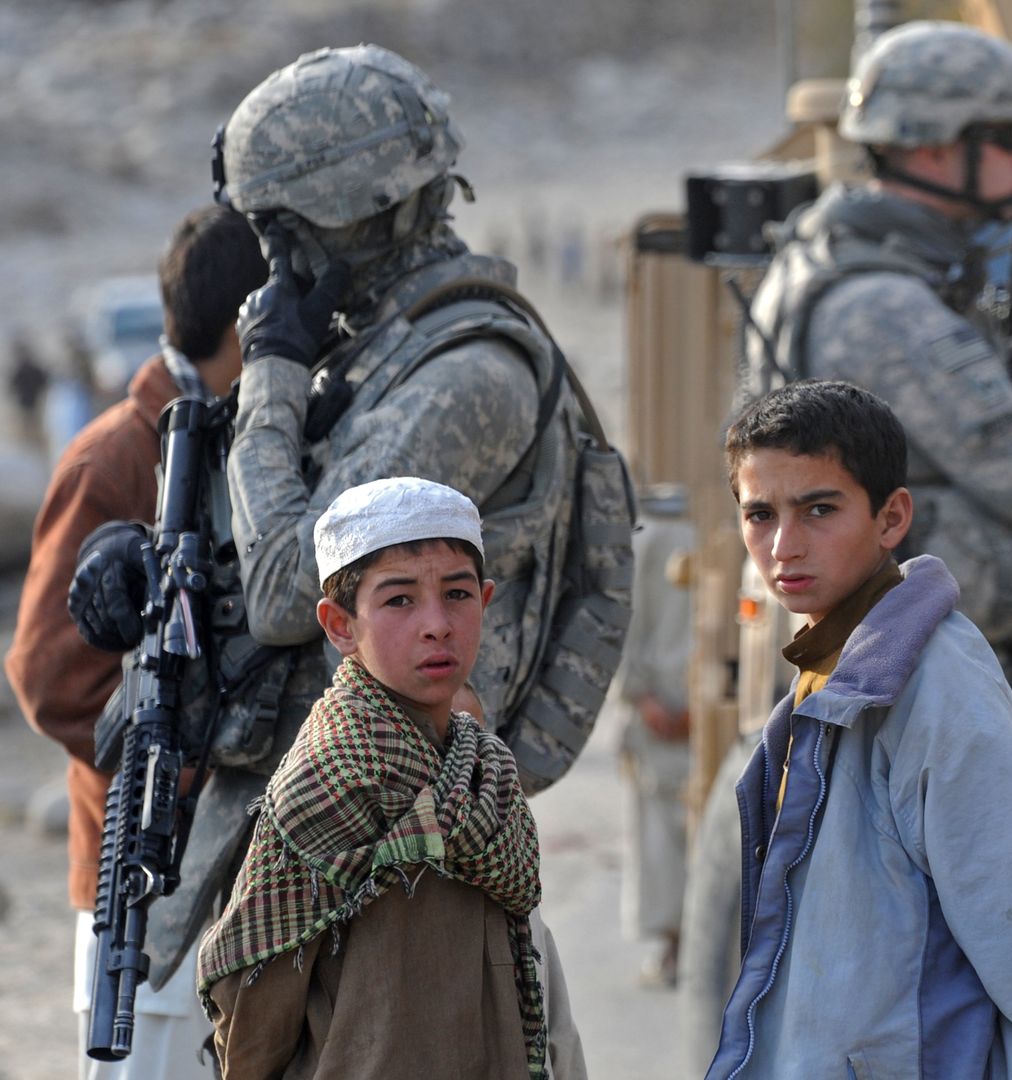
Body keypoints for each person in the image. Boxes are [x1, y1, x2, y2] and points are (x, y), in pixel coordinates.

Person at [65, 43, 628, 1008]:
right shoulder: (381, 357)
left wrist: (272, 375)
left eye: (286, 232)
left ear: (360, 218)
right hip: (336, 856)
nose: (277, 263)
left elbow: (295, 591)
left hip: (407, 868)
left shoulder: (466, 376)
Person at [705, 380, 1012, 1079]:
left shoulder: (933, 684)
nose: (783, 545)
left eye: (818, 509)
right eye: (760, 514)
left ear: (892, 519)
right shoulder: (829, 671)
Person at [739, 19, 1012, 656]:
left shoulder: (838, 260)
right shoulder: (886, 305)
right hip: (913, 671)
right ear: (935, 148)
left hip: (897, 652)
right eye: (1006, 138)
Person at [198, 477, 579, 1079]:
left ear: (485, 601)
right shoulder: (323, 785)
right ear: (340, 625)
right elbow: (251, 1019)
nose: (437, 624)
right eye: (399, 600)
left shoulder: (484, 770)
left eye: (456, 594)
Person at [8, 202, 265, 1079]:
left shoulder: (231, 437)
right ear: (247, 320)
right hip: (143, 888)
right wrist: (187, 763)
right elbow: (47, 678)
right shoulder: (120, 458)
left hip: (223, 886)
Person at [617, 489, 695, 987]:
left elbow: (620, 623)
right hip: (671, 711)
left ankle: (681, 944)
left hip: (690, 705)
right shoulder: (652, 537)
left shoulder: (649, 536)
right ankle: (674, 943)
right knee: (665, 834)